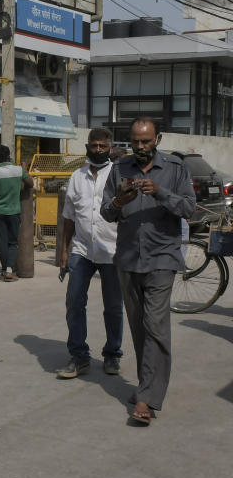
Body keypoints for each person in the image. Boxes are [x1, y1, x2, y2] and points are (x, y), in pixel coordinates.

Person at [100, 117, 195, 424]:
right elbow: (106, 213)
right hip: (128, 260)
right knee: (139, 328)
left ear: (158, 139)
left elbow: (189, 209)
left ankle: (147, 400)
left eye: (146, 141)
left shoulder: (176, 169)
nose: (140, 147)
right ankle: (146, 385)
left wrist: (160, 193)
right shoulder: (119, 169)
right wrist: (119, 200)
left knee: (155, 326)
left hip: (161, 258)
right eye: (136, 141)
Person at [57, 127, 123, 379]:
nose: (98, 150)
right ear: (87, 147)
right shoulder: (77, 177)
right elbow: (69, 218)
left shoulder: (118, 175)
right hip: (82, 250)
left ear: (110, 147)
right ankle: (79, 356)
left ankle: (113, 354)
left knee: (113, 307)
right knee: (74, 302)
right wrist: (64, 251)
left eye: (102, 146)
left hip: (112, 250)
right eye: (94, 146)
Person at [0, 144, 33, 281]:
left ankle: (3, 270)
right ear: (9, 156)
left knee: (2, 242)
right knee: (13, 242)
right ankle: (9, 271)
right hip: (13, 212)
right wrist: (21, 179)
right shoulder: (18, 170)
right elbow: (30, 183)